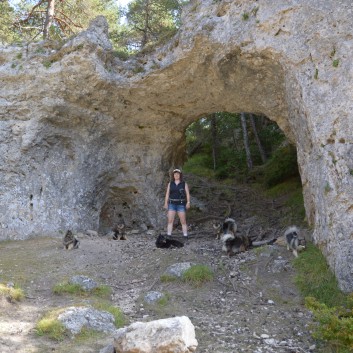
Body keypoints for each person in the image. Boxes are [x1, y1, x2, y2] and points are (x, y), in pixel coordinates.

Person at [164, 168, 191, 237]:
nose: (176, 175)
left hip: (181, 204)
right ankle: (169, 235)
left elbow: (187, 194)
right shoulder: (170, 184)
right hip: (172, 204)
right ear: (173, 175)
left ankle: (185, 235)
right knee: (170, 220)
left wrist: (188, 202)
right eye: (175, 174)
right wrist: (166, 203)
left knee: (183, 221)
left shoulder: (184, 184)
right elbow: (167, 194)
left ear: (180, 175)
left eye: (177, 174)